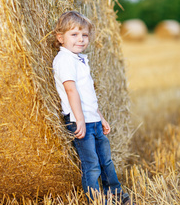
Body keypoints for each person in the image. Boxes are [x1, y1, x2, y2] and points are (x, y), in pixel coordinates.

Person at [52, 11, 135, 205]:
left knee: (106, 162)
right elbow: (71, 90)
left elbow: (88, 95)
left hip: (94, 120)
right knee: (92, 166)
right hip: (80, 122)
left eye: (85, 35)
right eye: (74, 35)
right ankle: (96, 201)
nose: (80, 39)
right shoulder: (64, 60)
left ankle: (115, 193)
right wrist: (79, 119)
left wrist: (101, 117)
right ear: (60, 38)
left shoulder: (80, 59)